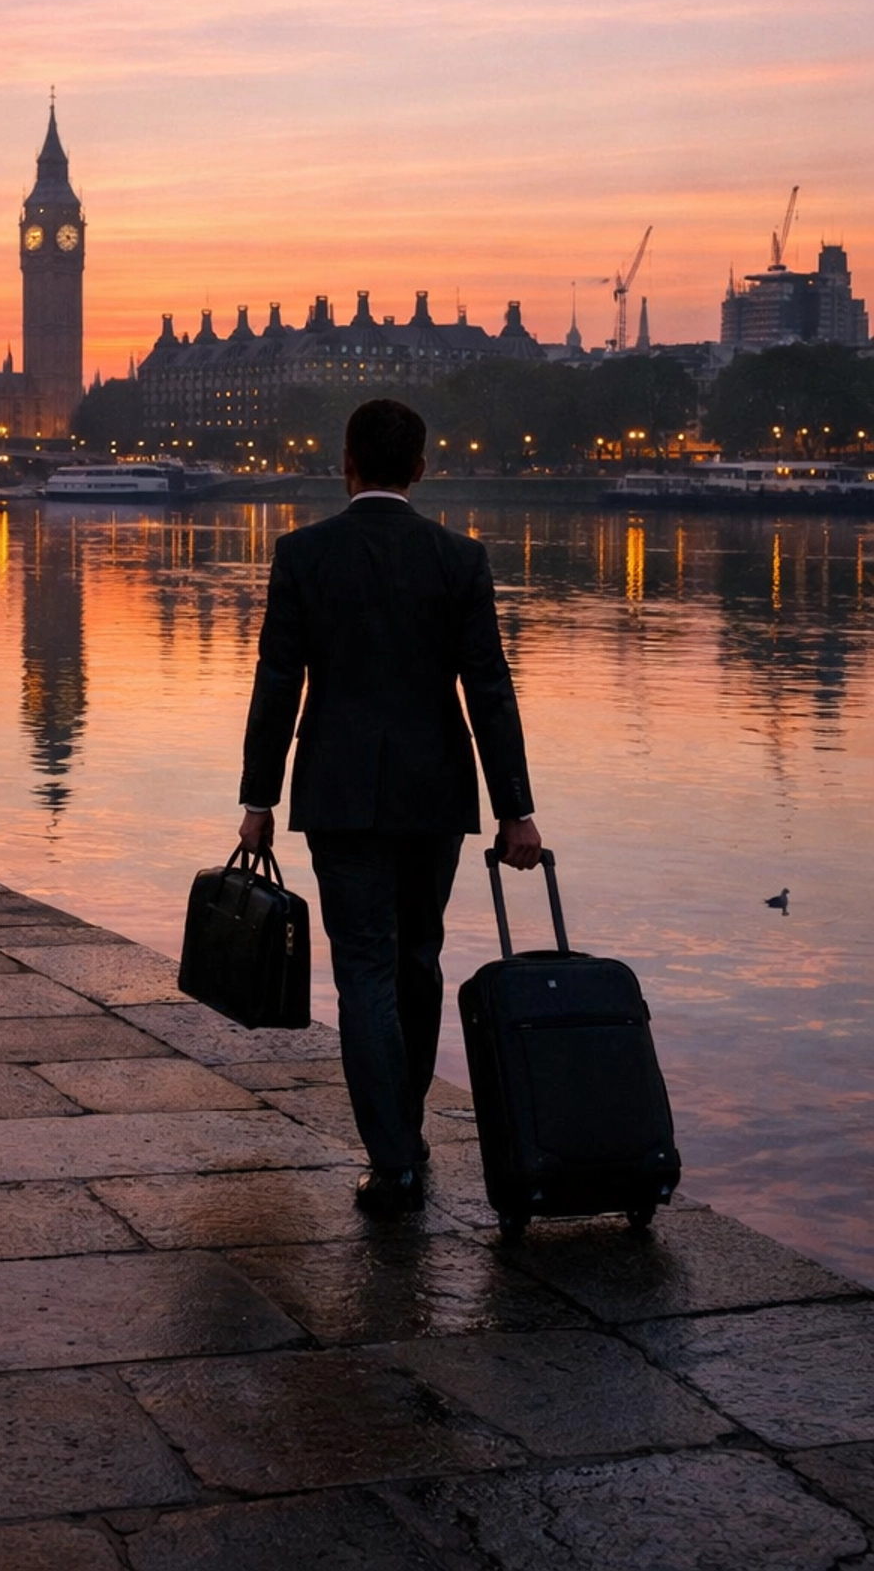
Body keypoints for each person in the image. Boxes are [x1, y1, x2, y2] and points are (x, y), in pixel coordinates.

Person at [238, 396, 542, 1217]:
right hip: (435, 794)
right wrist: (516, 809)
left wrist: (256, 796)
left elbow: (278, 682)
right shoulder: (459, 558)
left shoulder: (303, 555)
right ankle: (406, 1132)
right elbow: (488, 688)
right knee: (418, 960)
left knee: (365, 968)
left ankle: (395, 1160)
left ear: (346, 463)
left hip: (338, 796)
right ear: (419, 468)